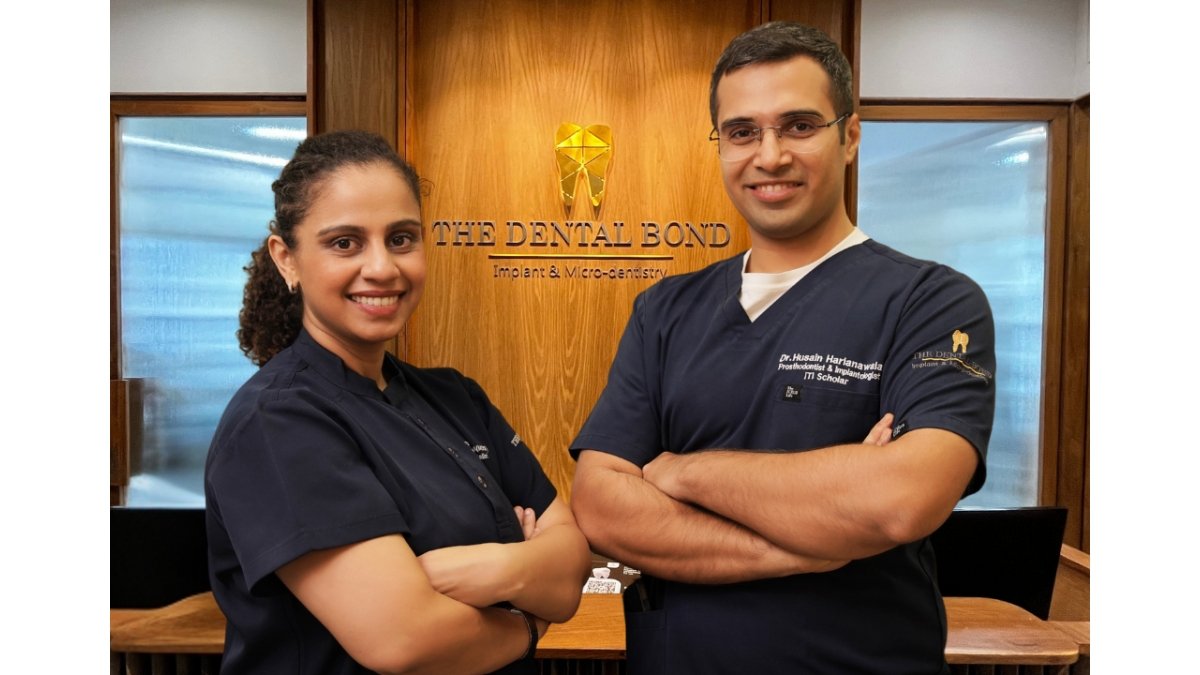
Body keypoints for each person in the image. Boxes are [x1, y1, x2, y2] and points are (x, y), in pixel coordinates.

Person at [570, 21, 996, 675]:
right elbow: (601, 506)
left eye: (799, 125)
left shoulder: (931, 301)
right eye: (742, 131)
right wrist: (809, 543)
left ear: (849, 136)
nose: (769, 156)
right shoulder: (665, 311)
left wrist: (681, 473)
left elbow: (902, 497)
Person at [205, 130, 591, 675]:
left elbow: (572, 564)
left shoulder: (456, 397)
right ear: (286, 259)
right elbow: (405, 640)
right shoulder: (277, 422)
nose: (383, 267)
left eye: (401, 238)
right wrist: (528, 618)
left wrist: (491, 567)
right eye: (345, 243)